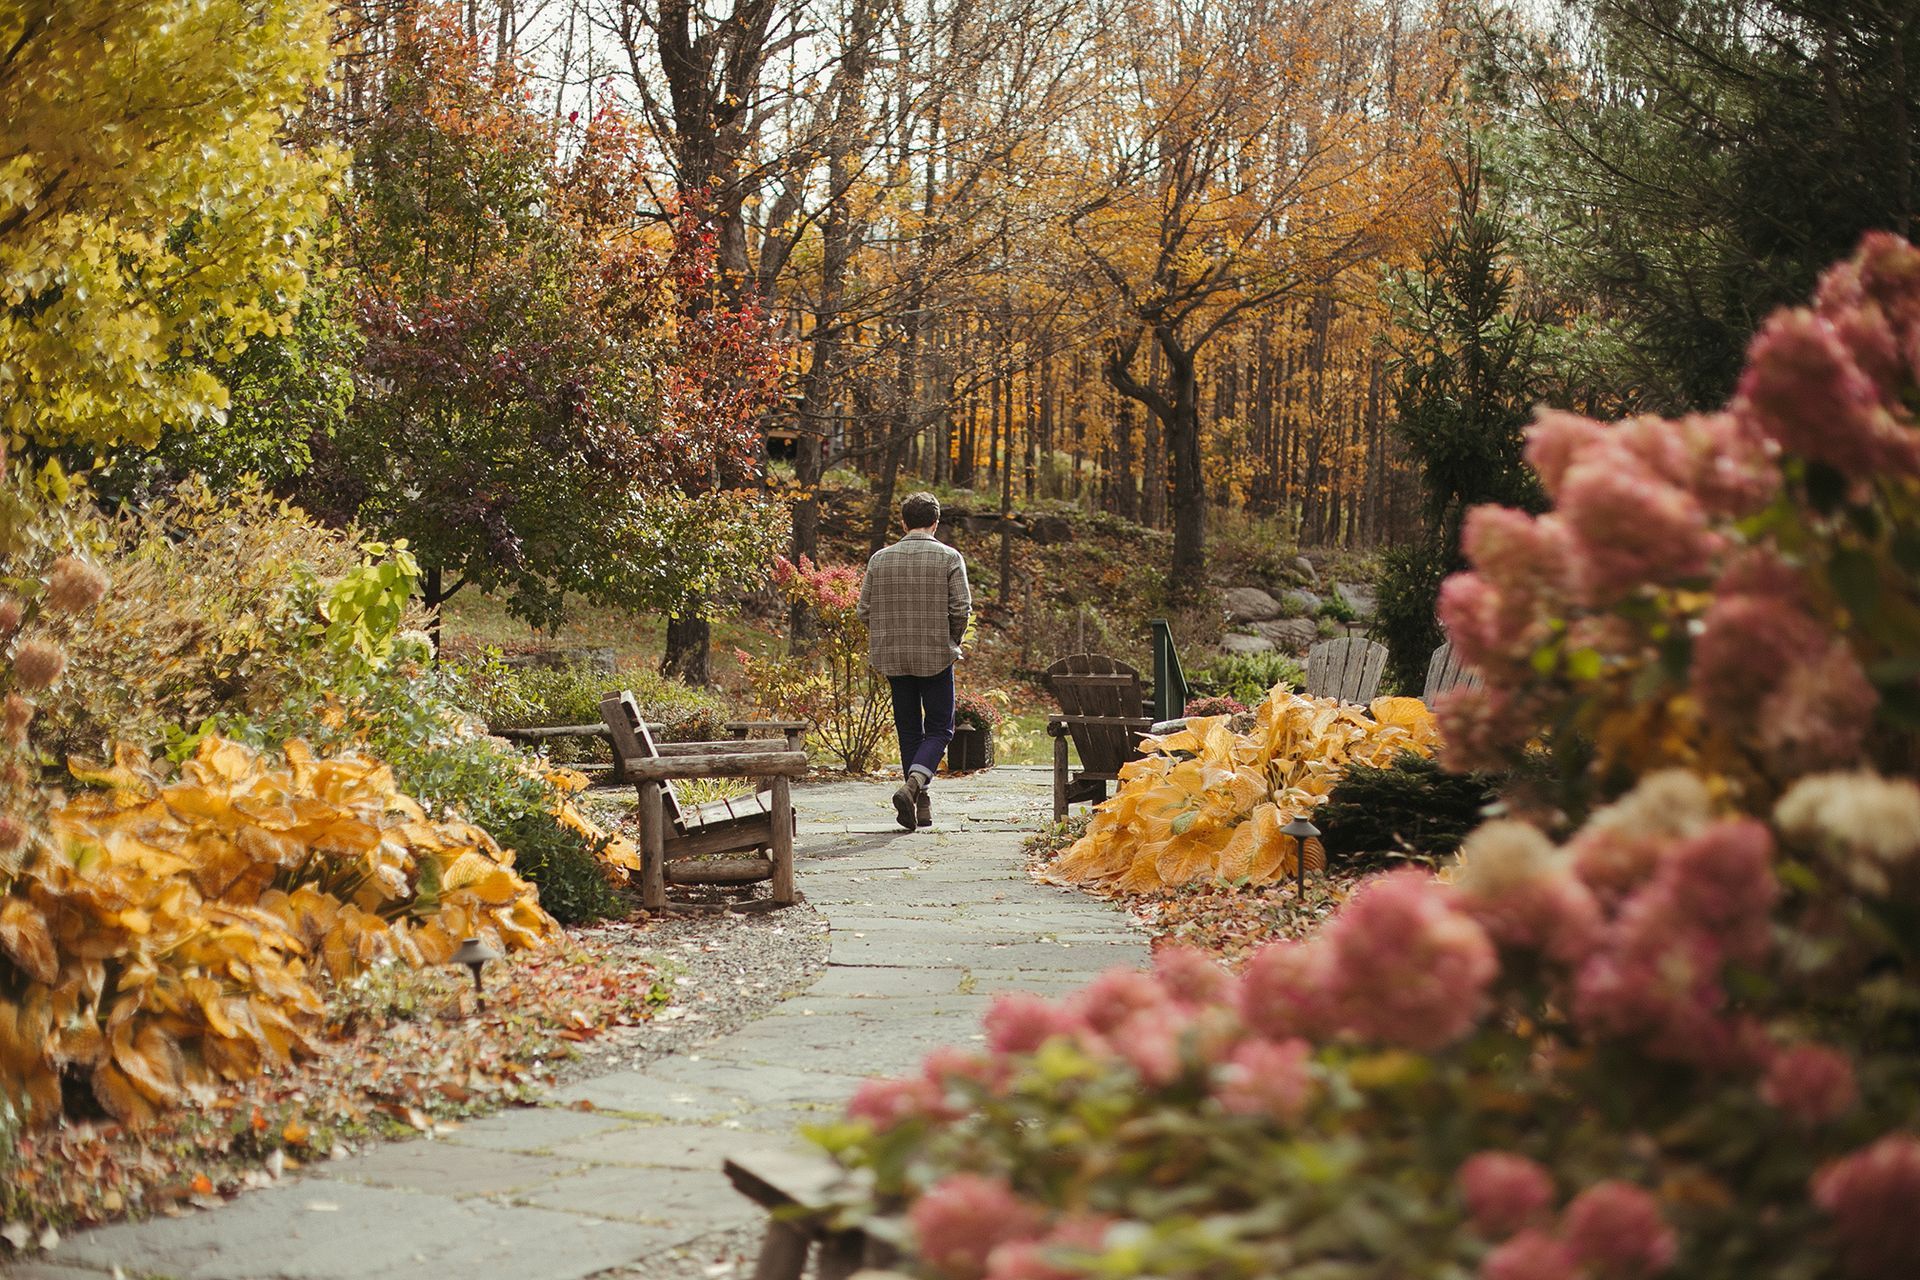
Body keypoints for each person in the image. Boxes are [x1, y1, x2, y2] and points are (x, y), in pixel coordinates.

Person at [857, 491, 972, 831]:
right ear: (935, 523)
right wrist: (952, 639)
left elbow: (864, 610)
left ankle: (919, 803)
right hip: (935, 654)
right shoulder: (949, 558)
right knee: (940, 729)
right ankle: (914, 787)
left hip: (893, 655)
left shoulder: (880, 559)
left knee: (908, 728)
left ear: (903, 522)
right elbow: (961, 609)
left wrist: (888, 634)